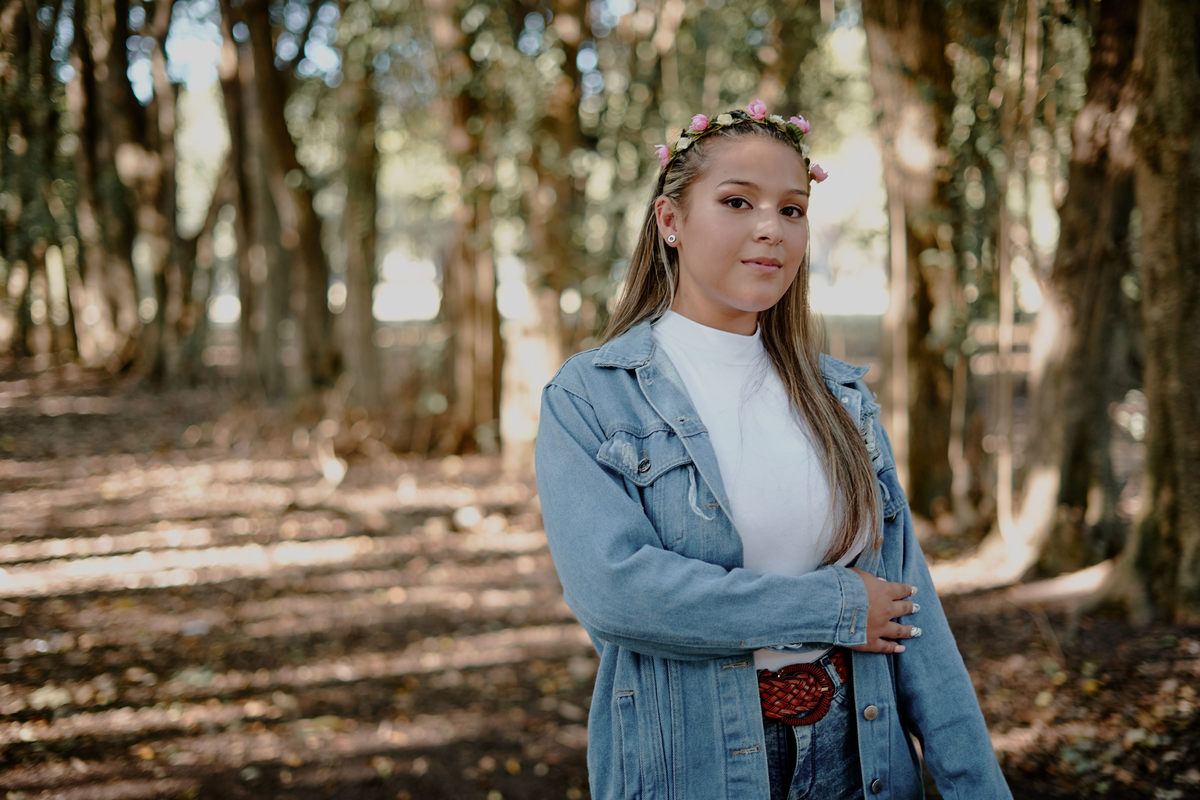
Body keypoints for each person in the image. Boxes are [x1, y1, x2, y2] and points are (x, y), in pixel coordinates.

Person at [534, 100, 1011, 800]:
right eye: (737, 201)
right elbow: (617, 592)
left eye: (792, 209)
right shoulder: (592, 397)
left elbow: (911, 613)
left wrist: (977, 785)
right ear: (671, 221)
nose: (771, 229)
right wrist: (836, 607)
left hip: (859, 755)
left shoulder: (838, 396)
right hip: (692, 763)